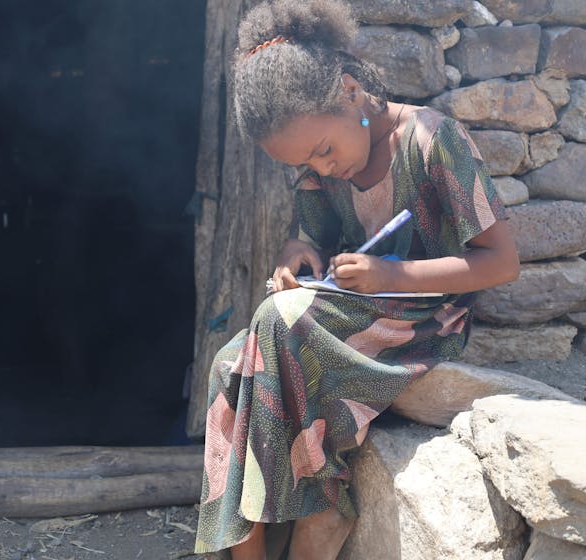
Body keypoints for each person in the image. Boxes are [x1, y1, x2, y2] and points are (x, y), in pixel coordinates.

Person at [193, 1, 520, 559]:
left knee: (274, 322)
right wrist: (295, 255)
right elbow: (311, 242)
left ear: (349, 92)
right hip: (353, 312)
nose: (324, 168)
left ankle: (318, 505)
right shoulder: (322, 174)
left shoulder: (432, 141)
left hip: (424, 321)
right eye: (309, 164)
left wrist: (391, 273)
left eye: (324, 150)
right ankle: (245, 555)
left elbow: (501, 262)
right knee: (228, 365)